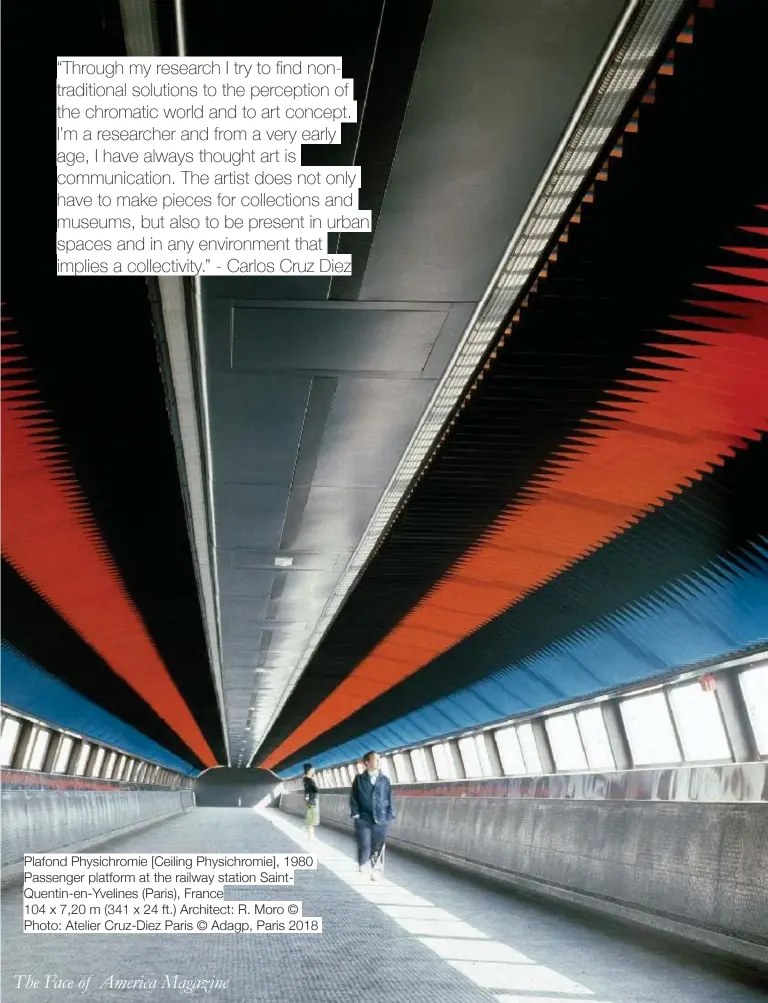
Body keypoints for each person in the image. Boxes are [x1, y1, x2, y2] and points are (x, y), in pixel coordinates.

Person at [349, 751, 394, 880]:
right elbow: (354, 797)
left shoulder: (385, 780)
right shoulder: (359, 779)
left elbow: (389, 798)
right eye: (375, 759)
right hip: (364, 818)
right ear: (367, 762)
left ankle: (375, 870)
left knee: (378, 845)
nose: (379, 762)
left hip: (381, 818)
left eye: (379, 760)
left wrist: (390, 815)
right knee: (364, 843)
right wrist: (356, 814)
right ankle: (364, 865)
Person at [302, 763, 319, 843]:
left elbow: (306, 791)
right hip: (311, 800)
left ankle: (310, 835)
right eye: (312, 769)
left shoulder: (305, 779)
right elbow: (316, 790)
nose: (314, 770)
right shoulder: (309, 780)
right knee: (312, 820)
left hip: (309, 800)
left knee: (310, 819)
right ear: (309, 770)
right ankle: (310, 837)